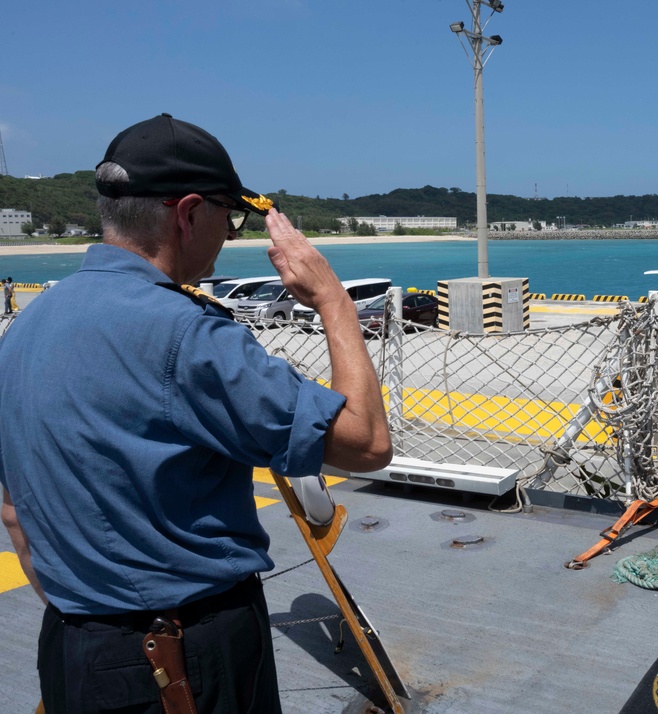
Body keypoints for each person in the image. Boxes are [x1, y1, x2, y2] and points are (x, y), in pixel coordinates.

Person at [0, 114, 392, 713]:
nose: (231, 236)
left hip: (71, 648)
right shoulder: (189, 337)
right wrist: (332, 299)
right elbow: (366, 442)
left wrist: (89, 609)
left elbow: (13, 511)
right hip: (182, 659)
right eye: (229, 218)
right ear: (186, 214)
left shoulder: (25, 329)